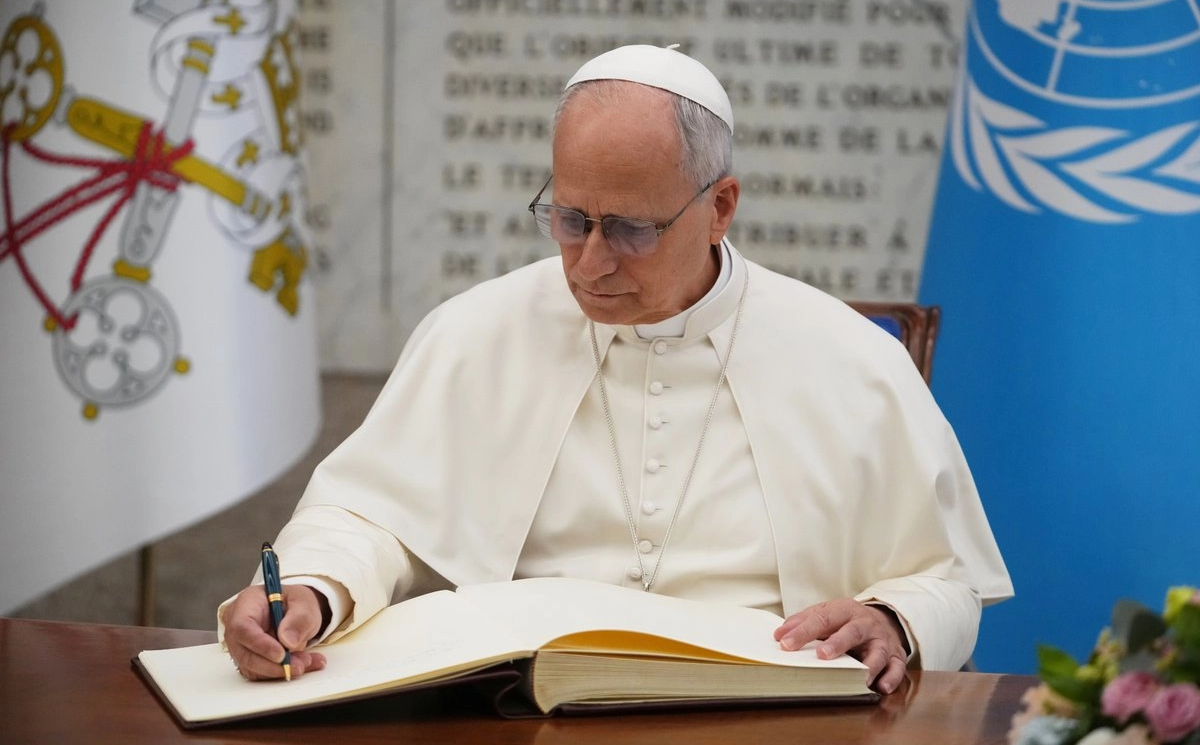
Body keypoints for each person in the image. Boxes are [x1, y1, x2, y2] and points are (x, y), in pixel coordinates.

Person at [221, 44, 1012, 695]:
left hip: (765, 713)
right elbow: (367, 515)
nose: (590, 263)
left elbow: (944, 580)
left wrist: (892, 619)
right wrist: (310, 589)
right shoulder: (476, 332)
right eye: (570, 220)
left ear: (720, 207)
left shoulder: (852, 360)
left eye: (631, 229)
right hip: (514, 709)